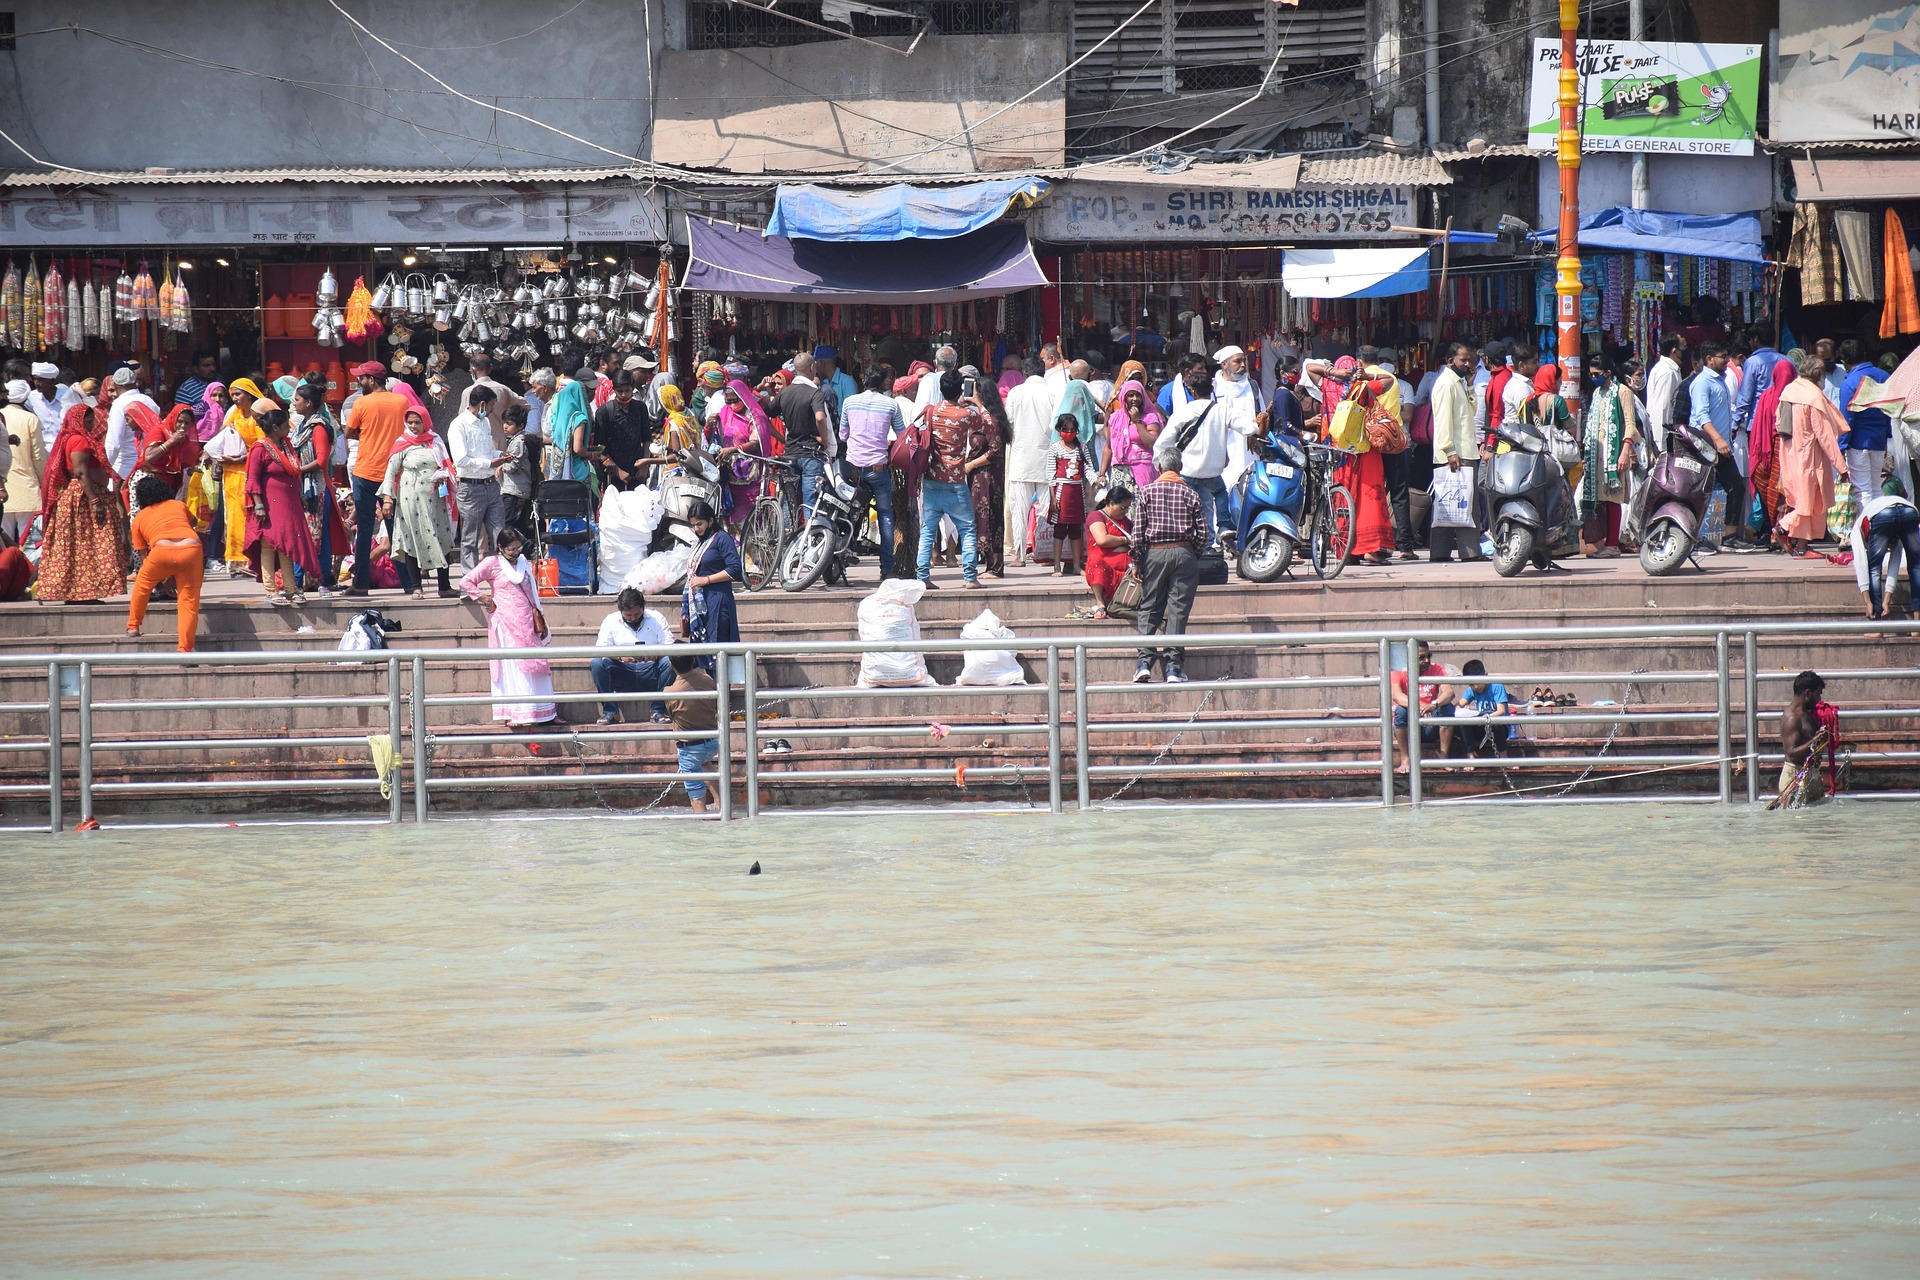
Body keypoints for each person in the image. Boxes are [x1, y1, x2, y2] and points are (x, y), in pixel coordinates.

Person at [462, 525, 557, 735]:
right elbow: (466, 581)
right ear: (500, 547)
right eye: (511, 549)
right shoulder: (492, 563)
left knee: (535, 664)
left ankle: (544, 713)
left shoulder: (523, 563)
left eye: (518, 548)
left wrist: (539, 616)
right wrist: (485, 598)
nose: (516, 553)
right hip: (506, 623)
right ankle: (516, 714)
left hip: (527, 622)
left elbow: (531, 592)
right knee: (514, 668)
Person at [1128, 441, 1206, 684]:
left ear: (1160, 467)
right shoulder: (1191, 494)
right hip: (1184, 553)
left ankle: (1144, 662)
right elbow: (1203, 534)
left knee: (1150, 607)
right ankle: (1173, 667)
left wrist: (1136, 562)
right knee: (1178, 612)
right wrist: (1192, 554)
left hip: (1155, 553)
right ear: (1179, 468)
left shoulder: (1147, 492)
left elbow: (1138, 532)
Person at [341, 362, 412, 597]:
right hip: (394, 473)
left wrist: (368, 434)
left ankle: (360, 584)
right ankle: (409, 582)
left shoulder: (361, 403)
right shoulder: (402, 402)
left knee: (364, 530)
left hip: (365, 472)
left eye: (361, 378)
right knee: (397, 530)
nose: (359, 382)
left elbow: (349, 432)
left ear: (372, 380)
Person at [242, 400, 321, 605]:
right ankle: (271, 591)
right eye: (285, 426)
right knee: (269, 545)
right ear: (275, 428)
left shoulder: (287, 446)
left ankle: (291, 589)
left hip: (289, 503)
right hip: (268, 505)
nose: (288, 429)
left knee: (288, 545)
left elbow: (294, 473)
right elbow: (252, 479)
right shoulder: (260, 449)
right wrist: (258, 505)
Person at [918, 370, 989, 589]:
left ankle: (922, 577)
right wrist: (977, 401)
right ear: (960, 390)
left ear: (940, 389)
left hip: (931, 479)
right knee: (967, 528)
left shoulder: (931, 411)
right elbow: (989, 424)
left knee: (928, 530)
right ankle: (969, 577)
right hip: (956, 480)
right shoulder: (967, 414)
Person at [1775, 352, 1848, 558]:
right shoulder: (1813, 396)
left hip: (1791, 455)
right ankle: (1782, 528)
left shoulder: (1789, 390)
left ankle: (1801, 547)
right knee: (1808, 502)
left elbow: (1779, 423)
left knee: (1808, 501)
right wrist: (1841, 467)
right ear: (1818, 374)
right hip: (1810, 457)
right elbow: (1825, 436)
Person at [377, 409, 456, 598]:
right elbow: (390, 472)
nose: (413, 426)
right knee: (411, 539)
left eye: (417, 422)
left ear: (426, 422)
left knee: (440, 538)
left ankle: (444, 587)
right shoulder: (402, 443)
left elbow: (447, 467)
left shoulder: (435, 442)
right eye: (410, 422)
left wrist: (443, 475)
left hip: (435, 501)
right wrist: (387, 499)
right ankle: (416, 587)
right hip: (409, 502)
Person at [839, 366, 904, 580]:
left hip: (853, 469)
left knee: (845, 512)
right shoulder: (891, 404)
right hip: (878, 469)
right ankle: (887, 569)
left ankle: (840, 558)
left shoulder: (849, 402)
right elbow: (902, 434)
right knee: (885, 516)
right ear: (883, 382)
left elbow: (843, 435)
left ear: (863, 380)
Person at [126, 474, 204, 650]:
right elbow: (194, 522)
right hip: (192, 549)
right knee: (188, 601)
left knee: (142, 584)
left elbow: (143, 555)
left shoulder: (139, 518)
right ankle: (184, 649)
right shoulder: (179, 505)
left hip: (161, 550)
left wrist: (163, 576)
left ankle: (133, 626)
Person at [1688, 343, 1749, 550]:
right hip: (1705, 448)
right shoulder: (1702, 382)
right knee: (1699, 492)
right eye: (1723, 357)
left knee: (1736, 487)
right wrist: (1718, 440)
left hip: (1722, 449)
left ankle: (1730, 537)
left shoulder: (1719, 380)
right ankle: (1692, 539)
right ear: (1709, 359)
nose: (1726, 361)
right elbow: (1702, 416)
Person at [1579, 356, 1640, 557]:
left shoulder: (1622, 392)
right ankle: (1605, 543)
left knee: (1613, 498)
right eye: (1591, 374)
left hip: (1614, 454)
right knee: (1601, 500)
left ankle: (1612, 545)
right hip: (1597, 455)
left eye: (1597, 374)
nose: (1593, 377)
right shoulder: (1597, 393)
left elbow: (1630, 425)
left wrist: (1624, 451)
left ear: (1608, 372)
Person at [591, 587, 675, 725]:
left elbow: (669, 644)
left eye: (637, 614)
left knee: (669, 660)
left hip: (651, 670)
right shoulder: (610, 620)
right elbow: (601, 649)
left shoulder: (656, 618)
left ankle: (658, 710)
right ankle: (610, 711)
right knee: (597, 664)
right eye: (628, 616)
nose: (633, 618)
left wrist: (655, 654)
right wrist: (620, 657)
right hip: (623, 671)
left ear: (643, 607)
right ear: (621, 611)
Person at [1429, 342, 1480, 556]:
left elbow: (1471, 410)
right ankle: (1468, 553)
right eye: (1463, 360)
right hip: (1455, 453)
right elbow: (1442, 420)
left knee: (1452, 502)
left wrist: (1469, 385)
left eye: (1469, 360)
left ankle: (1441, 552)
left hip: (1464, 450)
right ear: (1450, 361)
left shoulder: (1457, 382)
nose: (1468, 364)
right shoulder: (1445, 384)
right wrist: (1449, 450)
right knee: (1460, 502)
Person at [1004, 356, 1055, 565]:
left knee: (1020, 511)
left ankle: (1019, 555)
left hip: (1022, 458)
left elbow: (1008, 423)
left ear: (1024, 373)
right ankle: (1051, 553)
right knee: (1049, 508)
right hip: (1046, 459)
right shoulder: (1052, 392)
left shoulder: (1016, 393)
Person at [449, 385, 506, 571]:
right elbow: (461, 459)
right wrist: (490, 463)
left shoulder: (485, 423)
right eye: (490, 406)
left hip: (491, 484)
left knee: (500, 533)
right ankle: (469, 579)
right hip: (471, 488)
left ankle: (503, 573)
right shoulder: (459, 425)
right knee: (470, 537)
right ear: (482, 404)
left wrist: (501, 456)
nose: (491, 411)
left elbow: (487, 451)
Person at [681, 500, 742, 659]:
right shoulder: (699, 543)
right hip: (701, 604)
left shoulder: (722, 539)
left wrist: (705, 580)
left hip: (718, 603)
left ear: (711, 521)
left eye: (699, 524)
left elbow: (735, 569)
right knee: (702, 654)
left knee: (717, 653)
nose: (696, 529)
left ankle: (720, 684)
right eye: (693, 525)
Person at [665, 650, 721, 814]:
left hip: (690, 747)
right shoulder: (708, 680)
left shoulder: (670, 692)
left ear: (671, 665)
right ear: (694, 659)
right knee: (706, 763)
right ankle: (721, 803)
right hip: (711, 742)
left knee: (694, 787)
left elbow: (671, 714)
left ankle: (701, 817)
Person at [712, 379, 774, 527]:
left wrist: (734, 449)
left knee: (751, 519)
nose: (732, 405)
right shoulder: (724, 413)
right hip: (729, 476)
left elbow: (756, 443)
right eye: (729, 401)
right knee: (730, 520)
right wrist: (709, 426)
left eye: (735, 400)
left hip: (750, 477)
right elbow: (713, 439)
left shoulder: (755, 416)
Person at [1850, 491, 1919, 619]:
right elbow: (1895, 562)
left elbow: (1862, 566)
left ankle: (1877, 625)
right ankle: (1917, 625)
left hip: (1883, 513)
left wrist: (1868, 602)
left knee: (1874, 568)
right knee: (1916, 567)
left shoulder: (1856, 531)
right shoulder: (1891, 532)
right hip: (1909, 511)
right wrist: (1886, 600)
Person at [1838, 338, 1892, 499]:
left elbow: (1846, 420)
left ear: (1843, 361)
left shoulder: (1849, 383)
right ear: (1864, 354)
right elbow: (1889, 408)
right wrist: (1886, 436)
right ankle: (1876, 523)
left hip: (1858, 443)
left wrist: (1841, 447)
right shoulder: (1884, 376)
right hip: (1878, 441)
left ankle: (1867, 524)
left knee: (1862, 491)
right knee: (1876, 487)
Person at [967, 376, 1010, 578]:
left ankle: (995, 565)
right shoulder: (982, 416)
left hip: (987, 477)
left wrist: (971, 465)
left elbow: (994, 451)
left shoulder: (991, 418)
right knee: (981, 517)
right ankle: (989, 564)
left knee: (990, 518)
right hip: (978, 477)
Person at [1391, 640, 1453, 773]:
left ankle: (1443, 757)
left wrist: (1433, 704)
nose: (1426, 660)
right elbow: (1396, 695)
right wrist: (1420, 706)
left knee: (1448, 707)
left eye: (1428, 656)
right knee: (1400, 711)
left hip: (1430, 724)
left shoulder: (1437, 668)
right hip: (1409, 725)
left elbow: (1449, 693)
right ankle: (1405, 759)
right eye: (1421, 657)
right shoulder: (1399, 671)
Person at [1779, 669, 1839, 805]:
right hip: (1794, 777)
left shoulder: (1808, 713)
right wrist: (1815, 740)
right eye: (1817, 694)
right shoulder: (1792, 718)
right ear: (1807, 693)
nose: (1819, 700)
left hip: (1812, 774)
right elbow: (1792, 753)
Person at [592, 371, 657, 494]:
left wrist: (645, 465)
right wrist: (617, 470)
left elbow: (647, 438)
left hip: (638, 471)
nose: (623, 394)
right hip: (613, 474)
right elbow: (599, 449)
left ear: (633, 388)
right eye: (619, 391)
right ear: (614, 389)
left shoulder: (640, 408)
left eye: (627, 390)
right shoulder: (604, 412)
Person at [1045, 408, 1091, 576]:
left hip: (1077, 491)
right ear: (1059, 431)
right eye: (1066, 430)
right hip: (1061, 491)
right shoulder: (1055, 448)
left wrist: (1097, 480)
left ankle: (1077, 565)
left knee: (1076, 529)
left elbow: (1088, 470)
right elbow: (1050, 474)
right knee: (1059, 529)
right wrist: (1052, 497)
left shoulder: (1081, 447)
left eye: (1072, 430)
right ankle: (1057, 566)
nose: (1069, 433)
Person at [3, 379, 45, 542]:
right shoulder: (30, 419)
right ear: (25, 398)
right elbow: (39, 457)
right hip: (26, 489)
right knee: (29, 544)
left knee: (3, 543)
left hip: (3, 488)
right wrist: (44, 482)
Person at [1083, 484, 1133, 619]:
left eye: (1128, 508)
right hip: (1104, 565)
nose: (1125, 511)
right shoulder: (1096, 517)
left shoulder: (1126, 522)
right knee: (1095, 562)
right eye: (1123, 507)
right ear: (1111, 503)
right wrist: (1125, 540)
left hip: (1126, 567)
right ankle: (1101, 604)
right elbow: (1102, 540)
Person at [1105, 377, 1163, 492]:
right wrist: (1102, 474)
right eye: (1130, 395)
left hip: (1143, 467)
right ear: (1124, 397)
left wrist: (1137, 421)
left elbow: (1151, 443)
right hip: (1120, 470)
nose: (1135, 399)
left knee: (1141, 506)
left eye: (1138, 395)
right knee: (1120, 508)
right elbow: (1108, 447)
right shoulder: (1116, 417)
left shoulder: (1151, 416)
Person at [546, 366, 598, 491]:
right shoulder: (579, 418)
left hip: (559, 469)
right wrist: (592, 455)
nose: (593, 393)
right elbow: (578, 448)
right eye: (590, 390)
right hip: (576, 472)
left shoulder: (558, 415)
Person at [1449, 659, 1512, 758]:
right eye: (1471, 684)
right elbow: (1459, 704)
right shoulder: (1471, 690)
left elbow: (1501, 711)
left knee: (1496, 723)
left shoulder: (1496, 686)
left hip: (1497, 728)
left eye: (1477, 682)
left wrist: (1483, 718)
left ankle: (1504, 757)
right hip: (1481, 728)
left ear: (1485, 675)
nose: (1476, 686)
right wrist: (1461, 710)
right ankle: (1470, 755)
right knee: (1462, 722)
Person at [496, 403, 535, 542]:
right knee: (515, 524)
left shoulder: (518, 441)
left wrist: (500, 464)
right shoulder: (514, 440)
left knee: (509, 524)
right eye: (504, 423)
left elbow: (513, 465)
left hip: (515, 489)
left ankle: (527, 547)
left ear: (520, 426)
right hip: (515, 488)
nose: (505, 427)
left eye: (509, 423)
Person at [1645, 334, 1685, 454]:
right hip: (1665, 438)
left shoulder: (1670, 369)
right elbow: (1662, 409)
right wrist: (1661, 447)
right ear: (1674, 351)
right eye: (1683, 348)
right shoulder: (1667, 372)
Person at [174, 350, 218, 419]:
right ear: (196, 369)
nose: (212, 369)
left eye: (213, 365)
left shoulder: (218, 382)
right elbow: (182, 419)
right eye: (207, 366)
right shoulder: (185, 390)